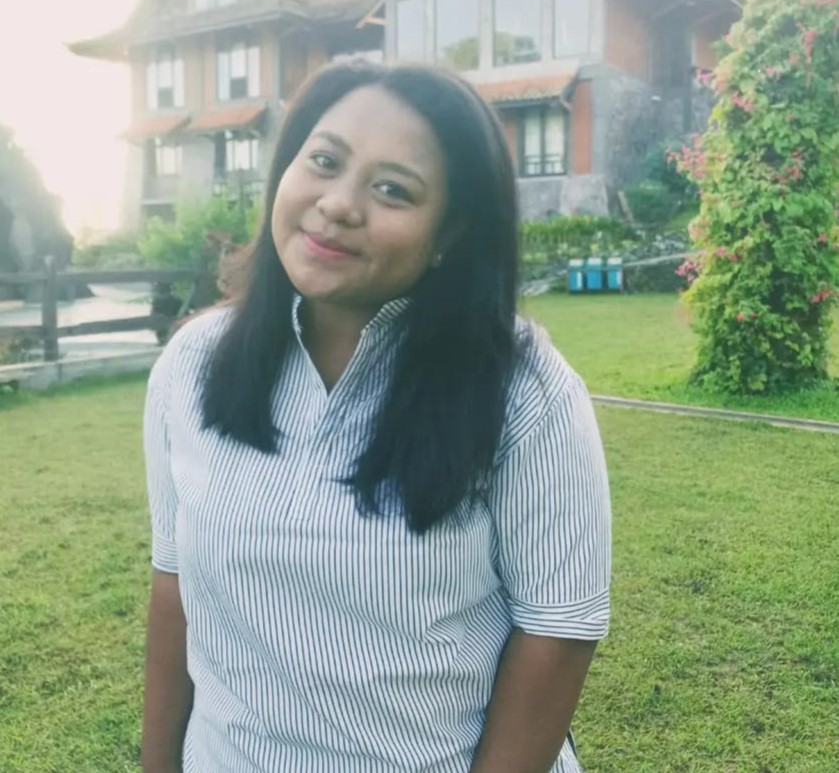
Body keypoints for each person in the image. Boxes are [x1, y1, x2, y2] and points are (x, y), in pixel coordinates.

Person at [141, 60, 611, 773]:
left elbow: (558, 629)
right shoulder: (193, 364)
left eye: (393, 189)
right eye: (324, 161)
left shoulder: (523, 391)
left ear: (450, 231)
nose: (337, 204)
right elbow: (174, 583)